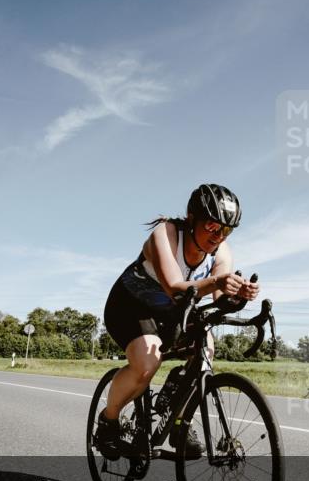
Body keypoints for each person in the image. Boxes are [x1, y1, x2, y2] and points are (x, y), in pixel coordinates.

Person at [96, 184, 259, 460]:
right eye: (212, 226)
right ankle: (108, 420)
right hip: (130, 306)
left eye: (226, 230)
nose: (218, 236)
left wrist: (238, 295)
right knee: (147, 362)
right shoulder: (167, 234)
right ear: (192, 217)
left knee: (206, 349)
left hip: (172, 311)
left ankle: (181, 422)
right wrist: (218, 281)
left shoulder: (221, 252)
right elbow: (173, 286)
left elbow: (218, 297)